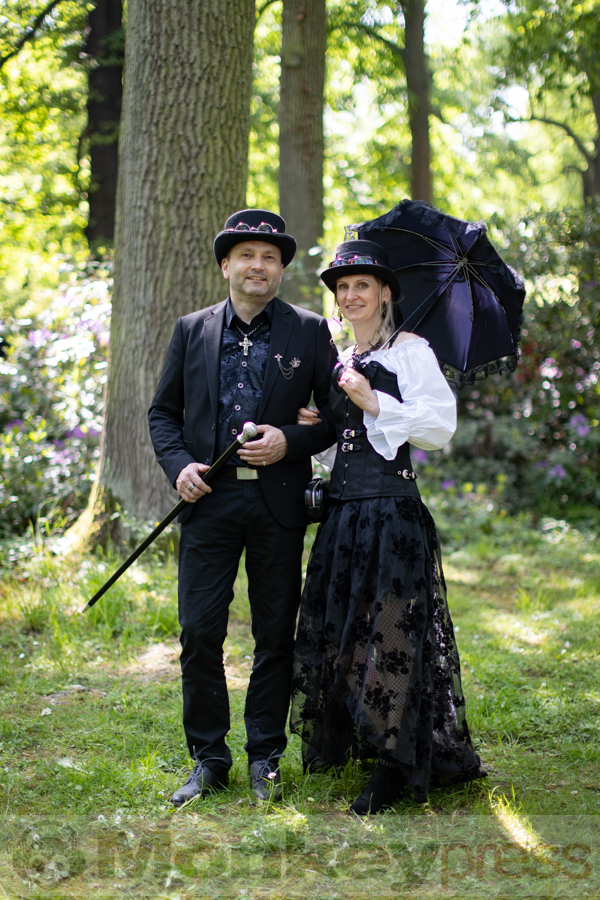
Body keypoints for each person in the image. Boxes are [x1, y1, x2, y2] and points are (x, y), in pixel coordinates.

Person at [148, 209, 337, 806]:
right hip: (209, 504)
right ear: (226, 264)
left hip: (279, 505)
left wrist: (292, 439)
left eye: (271, 258)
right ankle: (209, 759)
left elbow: (335, 414)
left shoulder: (308, 330)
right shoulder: (191, 329)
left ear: (281, 269)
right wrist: (179, 466)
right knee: (199, 633)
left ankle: (265, 759)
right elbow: (162, 413)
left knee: (275, 637)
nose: (259, 266)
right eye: (247, 255)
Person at [291, 239, 484, 814]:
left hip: (393, 513)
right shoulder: (342, 358)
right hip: (344, 516)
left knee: (391, 636)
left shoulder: (412, 352)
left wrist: (374, 401)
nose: (350, 296)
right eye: (342, 288)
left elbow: (438, 427)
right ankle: (359, 741)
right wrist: (322, 424)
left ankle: (394, 764)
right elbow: (347, 446)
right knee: (345, 634)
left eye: (362, 286)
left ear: (385, 294)